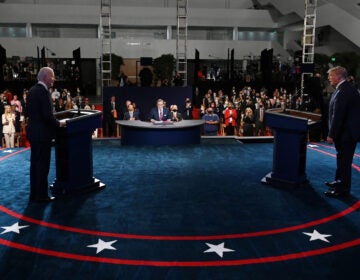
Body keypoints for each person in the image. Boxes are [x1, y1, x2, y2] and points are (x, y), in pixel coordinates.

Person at [27, 67, 63, 202]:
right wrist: (59, 124)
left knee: (35, 165)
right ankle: (42, 196)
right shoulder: (44, 92)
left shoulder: (31, 91)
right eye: (52, 76)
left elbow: (28, 112)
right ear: (45, 77)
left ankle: (34, 194)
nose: (54, 79)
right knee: (43, 166)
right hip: (43, 135)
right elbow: (47, 116)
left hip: (33, 134)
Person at [324, 66, 360, 198]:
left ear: (338, 77)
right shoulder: (344, 88)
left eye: (330, 76)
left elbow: (338, 115)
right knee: (341, 160)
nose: (329, 79)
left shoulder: (344, 90)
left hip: (346, 134)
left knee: (344, 162)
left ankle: (342, 190)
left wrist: (331, 134)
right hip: (345, 133)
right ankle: (338, 183)